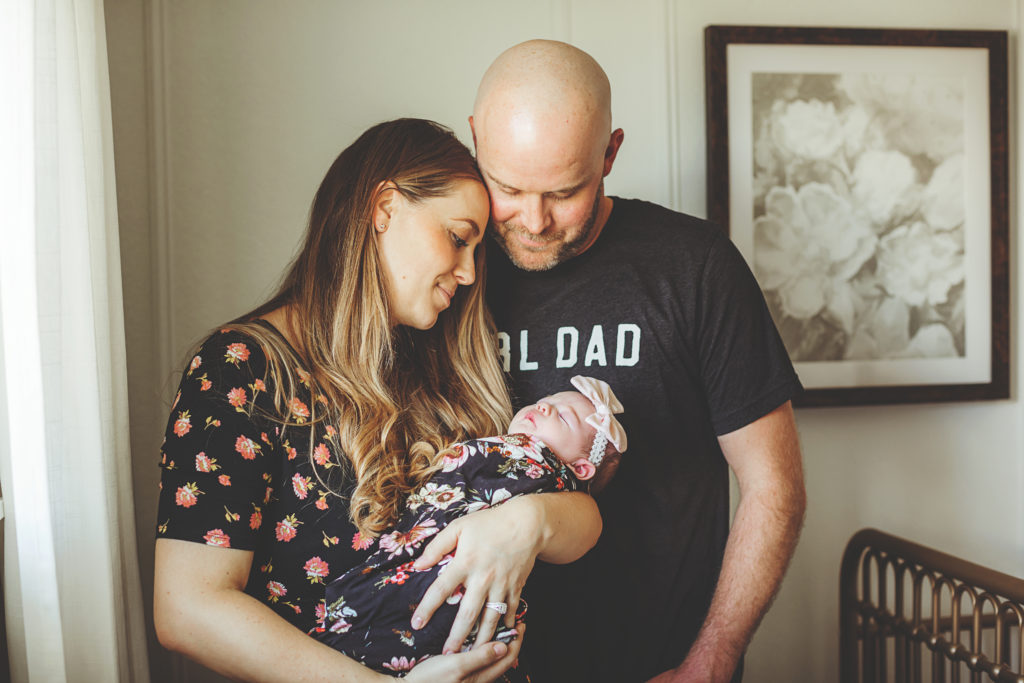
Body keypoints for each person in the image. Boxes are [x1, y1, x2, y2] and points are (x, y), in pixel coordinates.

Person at [152, 118, 603, 683]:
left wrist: (530, 520)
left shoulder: (443, 367)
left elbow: (581, 517)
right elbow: (188, 609)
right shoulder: (243, 370)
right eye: (459, 237)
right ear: (384, 207)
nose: (467, 273)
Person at [471, 41, 807, 682]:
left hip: (660, 664)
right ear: (475, 143)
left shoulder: (695, 265)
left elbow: (774, 487)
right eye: (508, 187)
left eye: (564, 192)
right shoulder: (451, 268)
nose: (535, 222)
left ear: (611, 153)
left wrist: (711, 661)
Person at [315, 376, 627, 674]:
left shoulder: (537, 466)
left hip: (444, 584)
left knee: (381, 614)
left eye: (563, 417)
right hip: (442, 594)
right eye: (546, 400)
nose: (545, 406)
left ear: (581, 467)